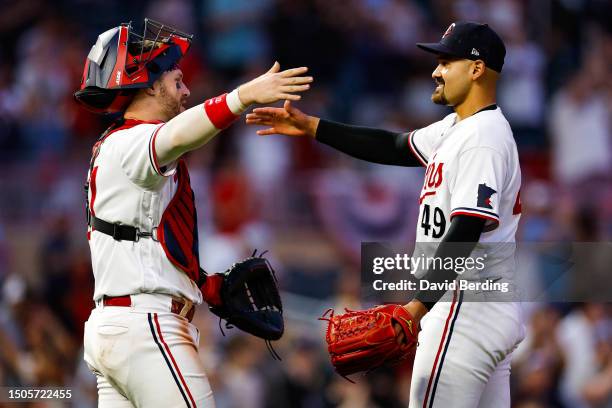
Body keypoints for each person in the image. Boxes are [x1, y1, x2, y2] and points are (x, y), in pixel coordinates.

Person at [247, 21, 525, 407]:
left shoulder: (483, 138)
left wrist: (417, 306)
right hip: (486, 308)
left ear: (476, 69)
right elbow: (394, 146)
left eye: (446, 61)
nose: (435, 70)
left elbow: (469, 226)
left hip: (462, 307)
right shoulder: (460, 128)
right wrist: (311, 126)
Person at [74, 19, 312, 407]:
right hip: (147, 327)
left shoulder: (118, 147)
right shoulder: (133, 140)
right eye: (177, 80)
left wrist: (204, 285)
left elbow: (146, 239)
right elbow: (181, 134)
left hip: (118, 328)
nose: (186, 91)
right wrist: (244, 95)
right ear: (149, 84)